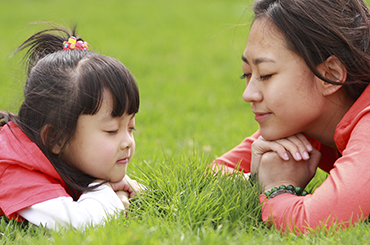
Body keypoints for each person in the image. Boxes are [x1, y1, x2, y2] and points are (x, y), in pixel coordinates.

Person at [212, 0, 370, 233]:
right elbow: (215, 175)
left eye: (265, 75)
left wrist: (278, 188)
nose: (248, 94)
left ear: (329, 76)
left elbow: (315, 221)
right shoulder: (304, 122)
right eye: (246, 74)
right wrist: (257, 177)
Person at [0, 24, 142, 230]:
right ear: (56, 138)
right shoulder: (14, 166)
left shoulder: (61, 155)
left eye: (131, 128)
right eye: (112, 131)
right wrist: (104, 190)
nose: (127, 142)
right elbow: (77, 223)